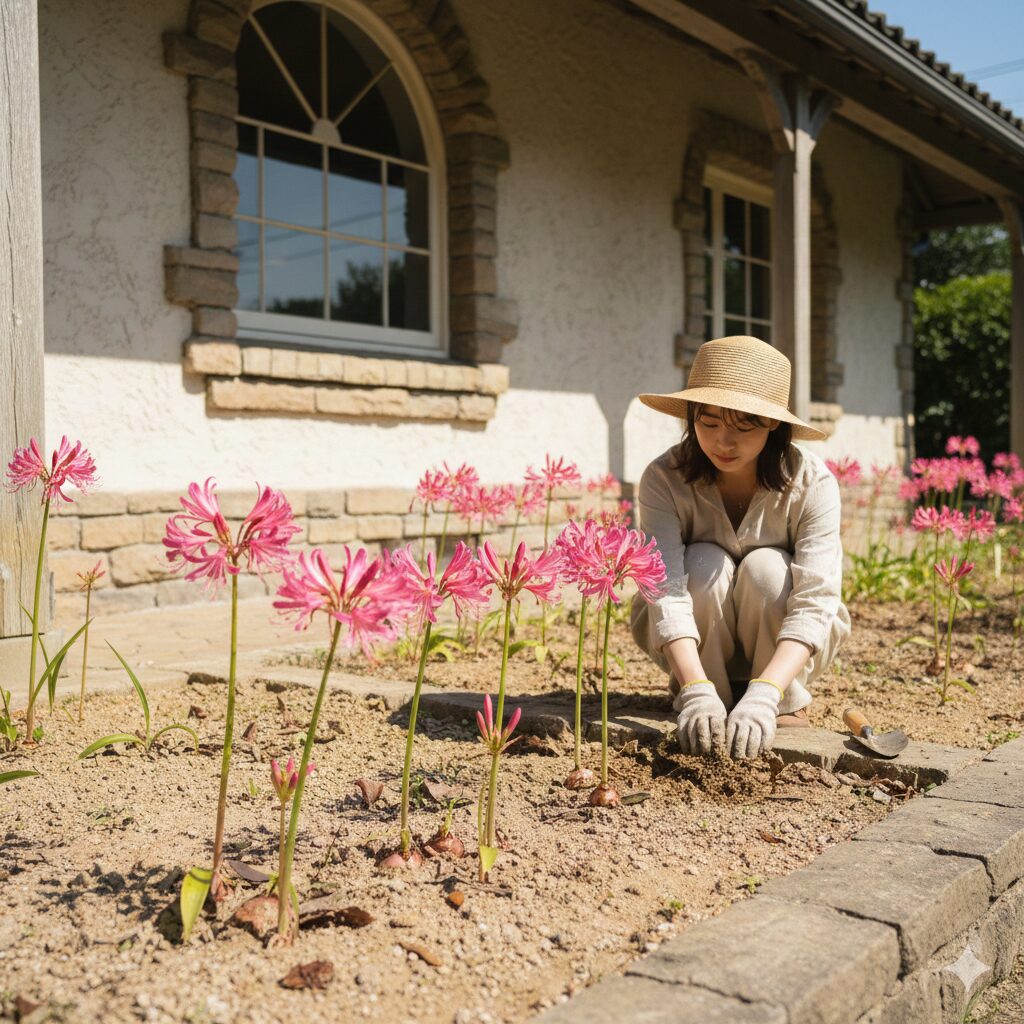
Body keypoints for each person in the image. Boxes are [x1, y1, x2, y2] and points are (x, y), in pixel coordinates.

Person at [631, 335, 850, 760]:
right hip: (690, 653)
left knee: (767, 569)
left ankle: (782, 699)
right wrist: (696, 689)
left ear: (774, 426)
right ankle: (702, 698)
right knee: (703, 561)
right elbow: (665, 589)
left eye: (742, 426)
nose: (722, 442)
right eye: (708, 423)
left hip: (785, 653)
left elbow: (814, 601)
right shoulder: (664, 478)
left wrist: (766, 693)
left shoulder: (813, 483)